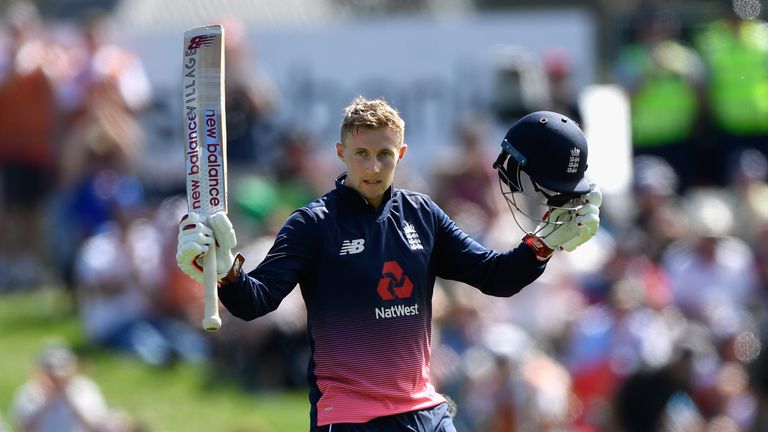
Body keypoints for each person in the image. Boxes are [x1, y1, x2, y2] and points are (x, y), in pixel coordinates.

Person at [176, 98, 602, 431]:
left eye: (384, 154)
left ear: (401, 153)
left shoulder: (423, 214)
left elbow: (494, 277)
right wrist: (226, 271)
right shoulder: (312, 224)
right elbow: (256, 301)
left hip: (423, 411)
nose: (373, 166)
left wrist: (541, 248)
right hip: (349, 417)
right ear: (342, 152)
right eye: (361, 153)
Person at [10, 341, 111, 432]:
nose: (58, 380)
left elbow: (96, 425)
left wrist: (69, 398)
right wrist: (47, 402)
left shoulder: (85, 388)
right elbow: (22, 427)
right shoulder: (30, 391)